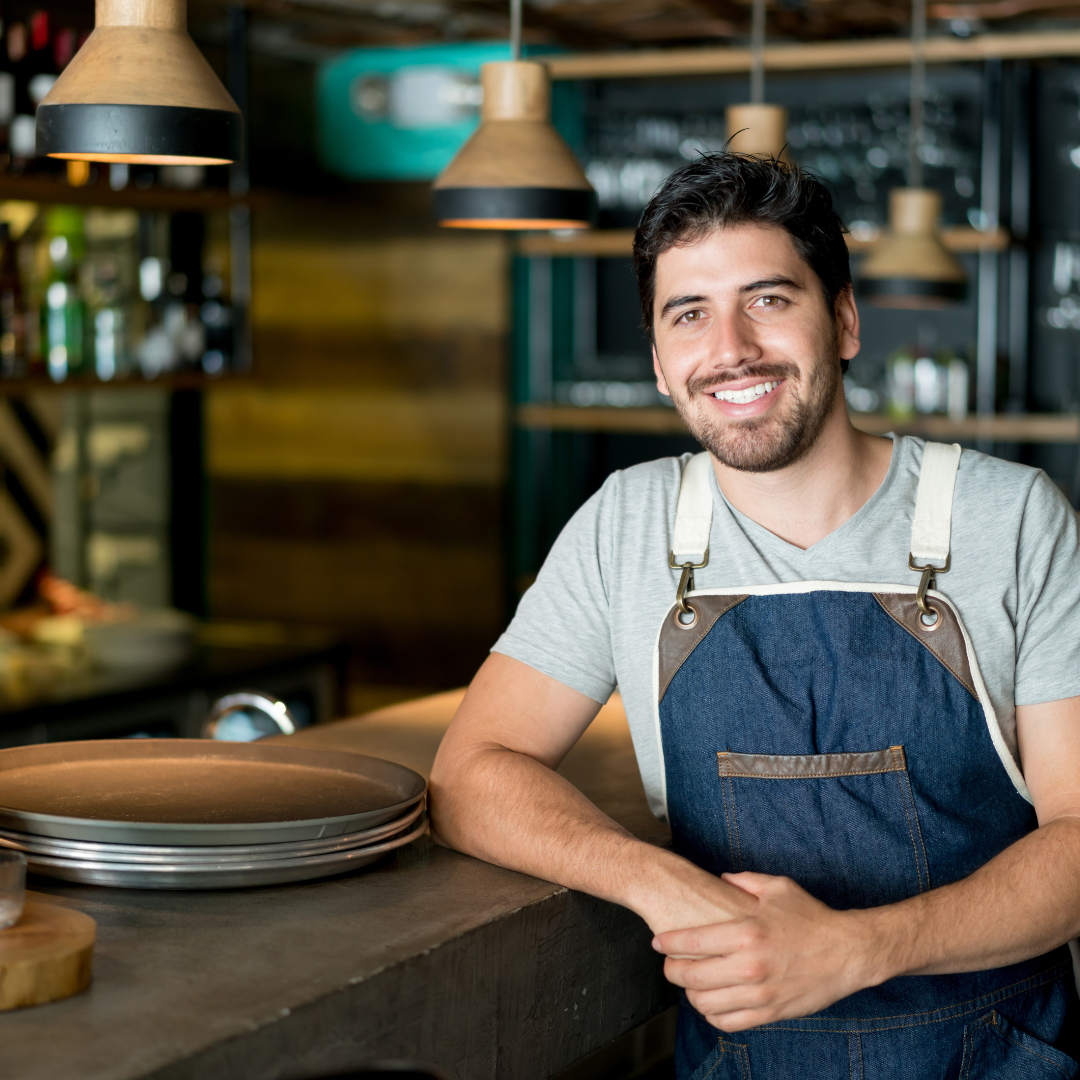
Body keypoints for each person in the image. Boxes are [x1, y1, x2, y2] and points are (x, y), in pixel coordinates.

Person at [428, 153, 1080, 1077]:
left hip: (996, 1055)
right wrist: (661, 885)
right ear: (661, 364)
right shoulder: (629, 524)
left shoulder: (1008, 517)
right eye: (689, 314)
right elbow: (469, 773)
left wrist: (858, 949)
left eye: (768, 299)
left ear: (843, 321)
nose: (730, 348)